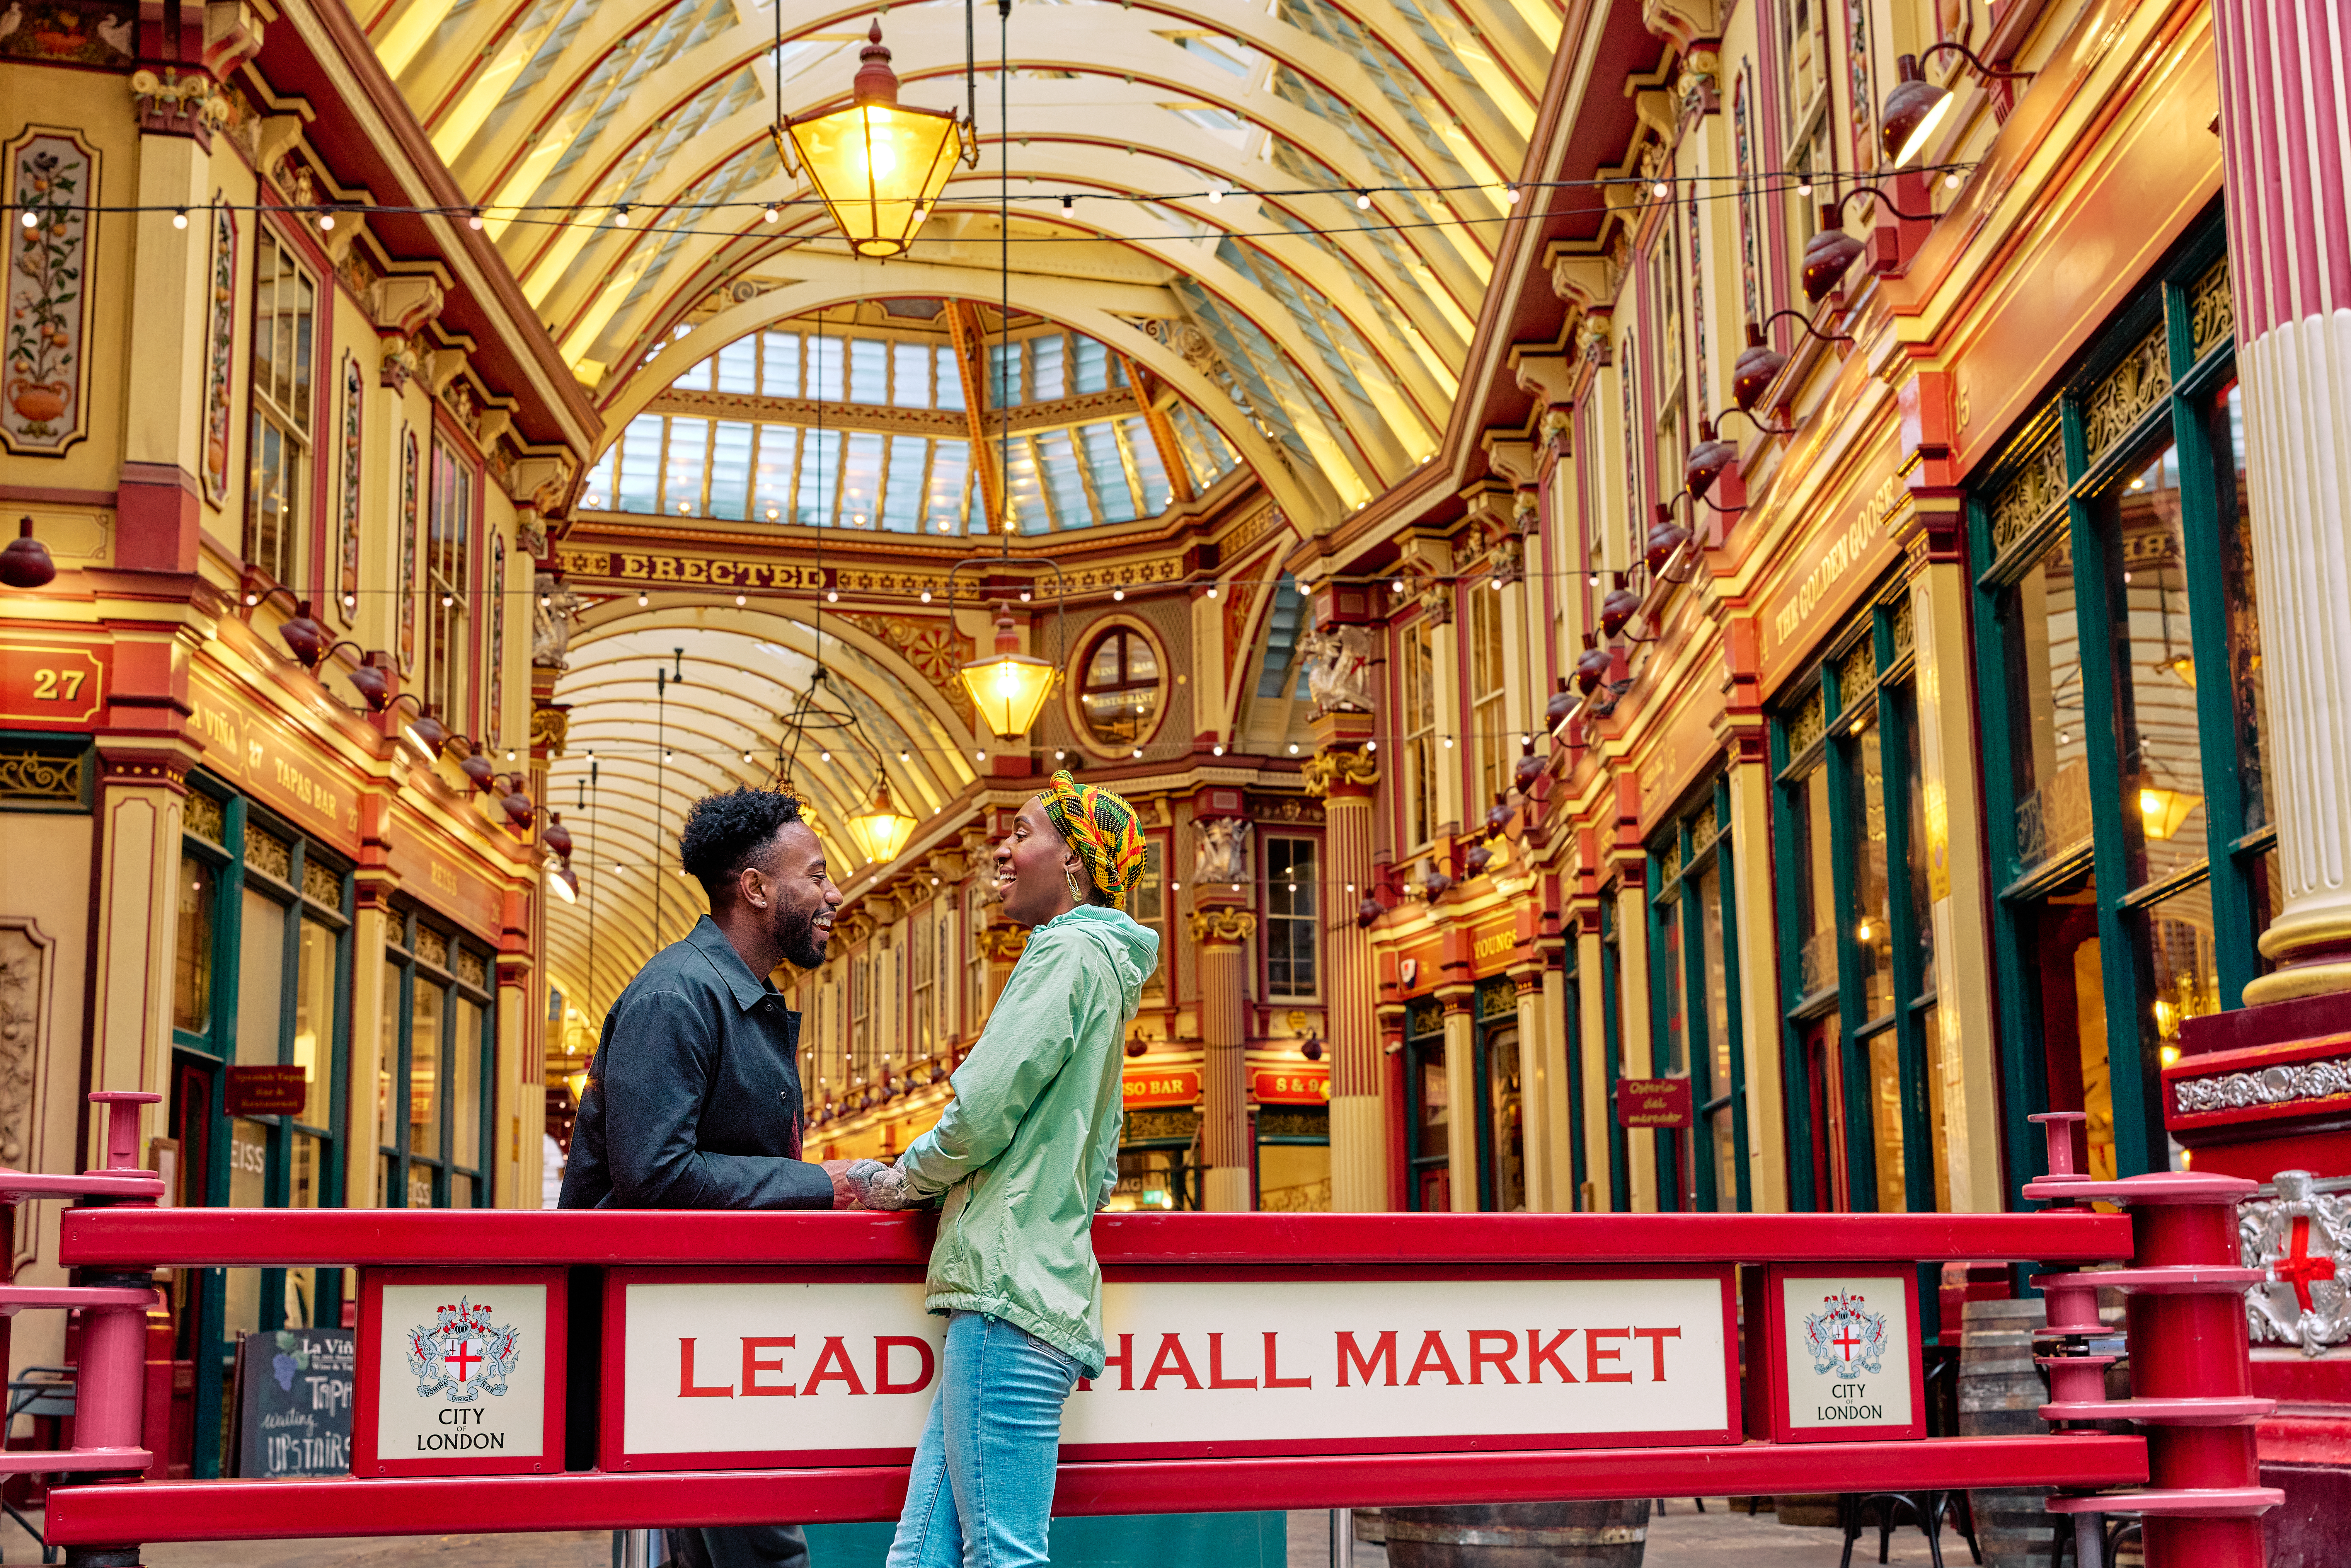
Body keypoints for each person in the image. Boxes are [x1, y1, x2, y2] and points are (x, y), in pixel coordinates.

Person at [848, 771, 1159, 1568]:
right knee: (919, 1554)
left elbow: (983, 1109)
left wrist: (897, 1182)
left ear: (1077, 866)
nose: (1005, 849)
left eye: (1023, 833)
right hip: (1030, 1295)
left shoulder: (1066, 953)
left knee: (1004, 1556)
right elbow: (1098, 1169)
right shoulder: (1105, 975)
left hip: (1006, 1297)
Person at [560, 787, 856, 1568]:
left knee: (714, 1550)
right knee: (763, 1551)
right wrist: (824, 1185)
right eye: (815, 875)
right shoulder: (678, 995)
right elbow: (654, 1174)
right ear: (756, 889)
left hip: (706, 1335)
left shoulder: (730, 995)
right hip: (675, 1343)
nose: (834, 894)